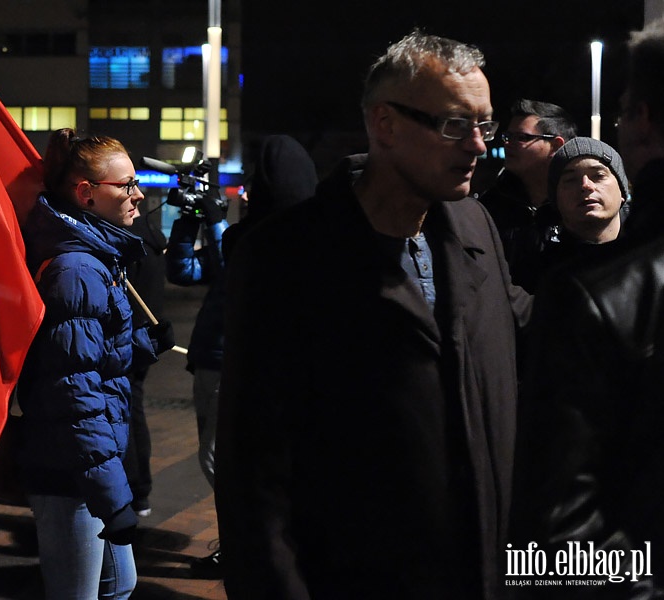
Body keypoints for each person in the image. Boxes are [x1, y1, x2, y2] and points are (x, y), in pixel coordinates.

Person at [215, 30, 531, 599]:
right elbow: (254, 482)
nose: (479, 146)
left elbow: (533, 338)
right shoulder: (284, 258)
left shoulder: (476, 227)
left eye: (485, 125)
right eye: (455, 124)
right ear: (384, 123)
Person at [511, 18, 664, 595]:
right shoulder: (561, 277)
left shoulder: (596, 297)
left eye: (624, 113)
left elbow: (552, 542)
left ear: (643, 118)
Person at [16, 128, 175, 599]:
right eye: (125, 185)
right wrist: (111, 496)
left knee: (120, 585)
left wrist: (142, 344)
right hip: (71, 471)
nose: (138, 193)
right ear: (86, 193)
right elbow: (74, 393)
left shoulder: (96, 257)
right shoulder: (78, 269)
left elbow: (89, 362)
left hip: (89, 464)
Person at [166, 134, 319, 578]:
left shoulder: (279, 239)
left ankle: (252, 540)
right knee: (216, 457)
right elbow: (185, 270)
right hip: (209, 360)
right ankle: (243, 539)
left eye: (255, 182)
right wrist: (189, 222)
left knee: (222, 461)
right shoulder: (241, 234)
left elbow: (239, 273)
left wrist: (216, 224)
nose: (246, 192)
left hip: (234, 363)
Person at [478, 98, 577, 292]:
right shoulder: (489, 206)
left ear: (556, 145)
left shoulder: (578, 203)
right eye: (508, 136)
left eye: (521, 138)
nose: (508, 144)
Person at [123, 212, 168, 518]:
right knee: (134, 409)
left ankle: (135, 490)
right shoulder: (151, 238)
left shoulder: (128, 242)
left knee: (127, 414)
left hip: (130, 340)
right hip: (145, 339)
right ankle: (141, 492)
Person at [534, 137, 630, 280]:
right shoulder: (540, 270)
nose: (586, 185)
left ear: (622, 190)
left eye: (598, 175)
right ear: (556, 198)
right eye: (571, 180)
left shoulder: (651, 251)